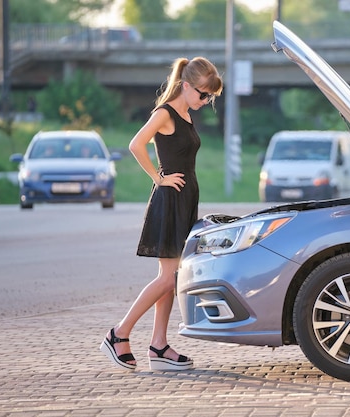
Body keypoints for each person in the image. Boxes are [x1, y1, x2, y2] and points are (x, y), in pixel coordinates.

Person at [100, 56, 223, 371]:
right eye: (202, 94)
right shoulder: (165, 113)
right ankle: (119, 334)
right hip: (169, 201)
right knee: (169, 278)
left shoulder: (185, 113)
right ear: (185, 85)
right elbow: (136, 144)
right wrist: (158, 178)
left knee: (169, 279)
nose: (206, 100)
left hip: (184, 201)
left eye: (210, 96)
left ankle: (158, 345)